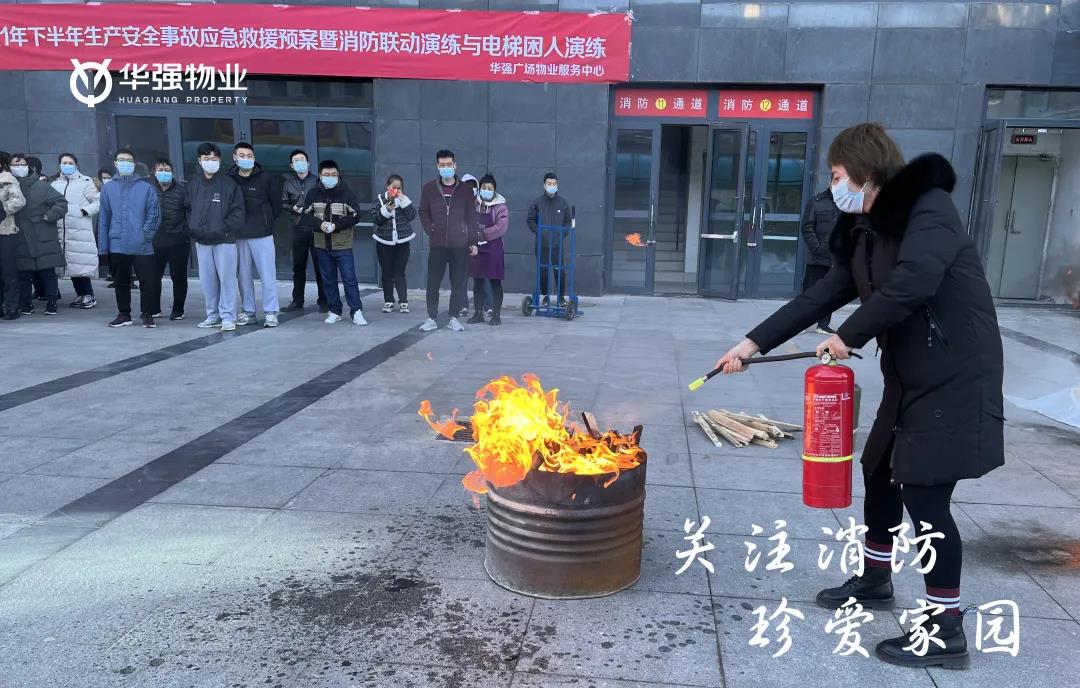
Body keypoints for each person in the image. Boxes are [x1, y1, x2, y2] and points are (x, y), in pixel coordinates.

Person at [716, 124, 1005, 670]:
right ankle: (876, 578)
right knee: (879, 470)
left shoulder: (928, 210)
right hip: (910, 375)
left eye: (836, 175)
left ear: (866, 172)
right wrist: (751, 344)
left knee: (925, 498)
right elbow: (822, 294)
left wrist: (847, 335)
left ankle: (946, 630)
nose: (833, 187)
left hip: (955, 375)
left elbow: (915, 280)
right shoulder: (867, 230)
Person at [97, 148, 161, 328]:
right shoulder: (108, 188)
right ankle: (124, 314)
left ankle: (147, 313)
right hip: (117, 243)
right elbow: (104, 219)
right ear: (115, 164)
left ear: (134, 164)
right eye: (121, 160)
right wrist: (103, 248)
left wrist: (144, 236)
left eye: (128, 160)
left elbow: (154, 215)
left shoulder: (146, 188)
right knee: (121, 282)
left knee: (147, 282)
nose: (125, 163)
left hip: (142, 245)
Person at [298, 160, 366, 326]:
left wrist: (336, 225)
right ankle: (335, 310)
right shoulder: (313, 193)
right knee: (328, 279)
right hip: (321, 244)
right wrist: (319, 224)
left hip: (342, 244)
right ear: (320, 176)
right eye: (326, 174)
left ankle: (356, 311)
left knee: (349, 279)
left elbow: (356, 215)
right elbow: (305, 215)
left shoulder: (346, 193)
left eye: (333, 174)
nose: (330, 177)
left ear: (338, 175)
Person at [418, 149, 479, 332]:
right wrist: (430, 229)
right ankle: (431, 317)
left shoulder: (465, 189)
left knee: (458, 283)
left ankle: (453, 317)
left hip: (459, 244)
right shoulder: (429, 188)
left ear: (455, 165)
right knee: (433, 283)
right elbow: (423, 212)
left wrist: (473, 241)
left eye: (449, 164)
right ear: (437, 166)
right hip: (437, 244)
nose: (446, 168)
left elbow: (471, 216)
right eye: (442, 165)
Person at [186, 142, 245, 331]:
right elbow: (187, 209)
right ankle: (213, 315)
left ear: (219, 160)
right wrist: (193, 228)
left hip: (224, 240)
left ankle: (228, 316)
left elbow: (238, 212)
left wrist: (224, 229)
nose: (210, 162)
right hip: (202, 240)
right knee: (208, 281)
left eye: (214, 158)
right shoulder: (194, 184)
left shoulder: (229, 184)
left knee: (227, 280)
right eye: (206, 158)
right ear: (199, 160)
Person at [229, 142, 282, 328]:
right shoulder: (229, 179)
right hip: (238, 235)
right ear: (235, 158)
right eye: (242, 156)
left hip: (262, 234)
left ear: (254, 158)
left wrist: (266, 222)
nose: (246, 159)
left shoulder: (266, 178)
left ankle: (271, 312)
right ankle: (248, 312)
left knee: (268, 275)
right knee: (243, 277)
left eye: (249, 156)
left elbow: (276, 205)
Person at [10, 153, 66, 316]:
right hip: (19, 234)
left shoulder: (41, 186)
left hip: (43, 234)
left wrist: (50, 215)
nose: (18, 168)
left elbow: (61, 202)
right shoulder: (9, 185)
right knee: (23, 272)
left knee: (48, 271)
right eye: (14, 165)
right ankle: (26, 304)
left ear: (28, 166)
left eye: (21, 164)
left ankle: (52, 301)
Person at [51, 153, 100, 309]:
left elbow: (99, 200)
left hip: (80, 230)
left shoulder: (85, 182)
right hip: (61, 230)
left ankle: (89, 295)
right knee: (71, 264)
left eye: (70, 163)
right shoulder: (55, 184)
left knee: (80, 263)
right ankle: (81, 294)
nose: (67, 165)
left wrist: (85, 211)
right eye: (64, 163)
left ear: (76, 165)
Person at [281, 149, 326, 313]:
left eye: (302, 160)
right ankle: (297, 301)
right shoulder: (288, 183)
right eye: (296, 160)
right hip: (298, 228)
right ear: (292, 166)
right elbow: (283, 203)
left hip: (316, 229)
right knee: (298, 267)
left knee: (320, 267)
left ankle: (324, 301)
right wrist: (293, 208)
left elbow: (324, 200)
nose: (299, 163)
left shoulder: (317, 181)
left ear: (308, 163)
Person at [150, 158, 190, 321]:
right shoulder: (149, 190)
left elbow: (189, 213)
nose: (164, 173)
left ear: (172, 172)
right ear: (154, 172)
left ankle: (178, 310)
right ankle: (154, 308)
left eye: (167, 170)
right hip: (155, 240)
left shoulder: (182, 191)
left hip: (178, 241)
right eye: (160, 170)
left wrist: (185, 232)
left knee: (178, 277)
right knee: (153, 276)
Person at [466, 174, 508, 326]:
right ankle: (478, 313)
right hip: (477, 247)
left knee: (495, 282)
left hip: (493, 248)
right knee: (477, 282)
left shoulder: (501, 207)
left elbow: (501, 227)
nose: (486, 191)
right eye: (484, 188)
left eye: (490, 188)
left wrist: (483, 234)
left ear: (494, 190)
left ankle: (496, 315)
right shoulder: (474, 204)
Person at [371, 174, 416, 314]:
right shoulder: (380, 199)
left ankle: (403, 302)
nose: (396, 190)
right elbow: (376, 219)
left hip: (402, 242)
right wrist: (387, 209)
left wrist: (404, 201)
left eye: (399, 188)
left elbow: (412, 215)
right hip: (384, 242)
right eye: (393, 187)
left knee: (400, 272)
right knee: (386, 272)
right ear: (387, 187)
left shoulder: (404, 199)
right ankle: (388, 301)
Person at [527, 172, 572, 306]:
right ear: (544, 185)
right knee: (543, 271)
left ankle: (561, 297)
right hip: (542, 244)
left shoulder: (563, 203)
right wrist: (539, 233)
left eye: (554, 184)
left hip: (557, 244)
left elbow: (567, 221)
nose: (552, 186)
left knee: (559, 271)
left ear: (557, 185)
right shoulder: (537, 203)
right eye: (549, 184)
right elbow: (530, 220)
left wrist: (563, 233)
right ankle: (545, 296)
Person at [800, 182, 841, 333]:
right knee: (809, 293)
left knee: (830, 294)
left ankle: (823, 325)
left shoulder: (847, 203)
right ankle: (799, 324)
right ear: (831, 182)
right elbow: (807, 227)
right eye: (837, 180)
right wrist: (816, 248)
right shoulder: (816, 202)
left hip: (837, 258)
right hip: (817, 258)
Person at [0, 152, 27, 320]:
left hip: (6, 231)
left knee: (8, 271)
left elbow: (19, 200)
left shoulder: (7, 179)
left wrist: (4, 209)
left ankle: (11, 307)